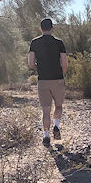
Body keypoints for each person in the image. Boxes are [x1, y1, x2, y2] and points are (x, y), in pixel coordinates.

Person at [28, 18, 68, 147]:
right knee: (59, 106)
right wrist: (61, 74)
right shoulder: (59, 43)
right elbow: (65, 63)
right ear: (52, 28)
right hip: (57, 79)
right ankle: (56, 126)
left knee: (46, 110)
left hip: (43, 80)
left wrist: (38, 68)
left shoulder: (34, 42)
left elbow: (30, 63)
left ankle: (46, 136)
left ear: (40, 29)